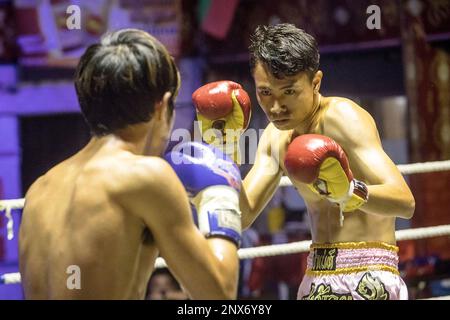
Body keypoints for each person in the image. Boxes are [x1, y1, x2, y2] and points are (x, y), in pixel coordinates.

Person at [195, 23, 416, 300]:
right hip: (315, 275)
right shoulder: (275, 136)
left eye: (288, 92)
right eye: (265, 93)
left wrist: (350, 192)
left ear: (316, 82)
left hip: (368, 273)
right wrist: (223, 153)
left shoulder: (343, 118)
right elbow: (243, 215)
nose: (275, 107)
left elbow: (405, 202)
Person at [18, 29, 241, 300]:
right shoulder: (144, 177)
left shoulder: (40, 190)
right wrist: (220, 193)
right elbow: (219, 294)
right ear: (163, 107)